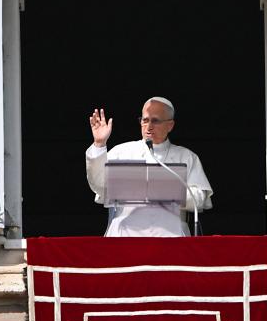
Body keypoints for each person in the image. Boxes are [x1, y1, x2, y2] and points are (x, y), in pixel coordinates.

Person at [85, 96, 213, 237]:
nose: (149, 126)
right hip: (126, 235)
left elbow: (200, 199)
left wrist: (165, 191)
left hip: (171, 235)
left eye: (155, 121)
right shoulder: (121, 151)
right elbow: (99, 185)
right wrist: (99, 144)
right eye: (145, 120)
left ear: (170, 125)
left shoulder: (186, 156)